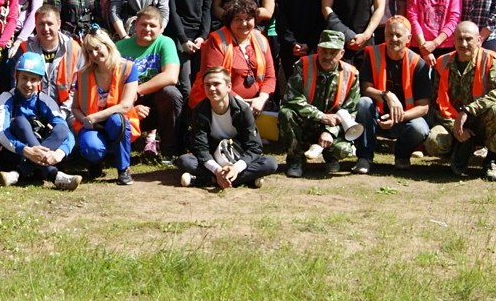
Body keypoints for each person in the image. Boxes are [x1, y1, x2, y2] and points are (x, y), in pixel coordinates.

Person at [425, 22, 496, 181]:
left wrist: (468, 110)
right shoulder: (442, 62)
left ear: (479, 40)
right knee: (433, 142)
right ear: (453, 41)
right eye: (460, 39)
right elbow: (436, 103)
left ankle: (490, 161)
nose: (463, 44)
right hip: (452, 122)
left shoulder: (490, 59)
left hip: (482, 122)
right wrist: (456, 128)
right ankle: (461, 148)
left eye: (469, 39)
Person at [353, 16, 432, 173]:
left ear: (408, 38)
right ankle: (365, 157)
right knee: (363, 103)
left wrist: (398, 117)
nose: (393, 39)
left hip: (404, 120)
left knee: (420, 128)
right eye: (390, 34)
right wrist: (386, 95)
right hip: (377, 116)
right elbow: (365, 88)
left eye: (398, 35)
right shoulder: (372, 54)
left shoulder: (418, 64)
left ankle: (402, 155)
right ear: (384, 35)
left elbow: (423, 107)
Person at [178, 66, 279, 189]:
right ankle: (244, 179)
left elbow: (254, 147)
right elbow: (200, 148)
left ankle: (208, 180)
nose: (212, 89)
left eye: (216, 84)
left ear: (229, 87)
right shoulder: (199, 111)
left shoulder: (243, 110)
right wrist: (217, 170)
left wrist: (236, 168)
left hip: (238, 157)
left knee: (270, 163)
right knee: (185, 161)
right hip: (213, 157)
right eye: (207, 85)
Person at [0, 51, 82, 190]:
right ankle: (55, 176)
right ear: (16, 76)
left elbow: (65, 132)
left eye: (33, 79)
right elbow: (2, 133)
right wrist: (26, 150)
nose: (28, 84)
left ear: (40, 81)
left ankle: (18, 173)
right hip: (13, 154)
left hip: (40, 156)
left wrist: (60, 153)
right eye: (24, 78)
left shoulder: (45, 100)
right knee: (20, 121)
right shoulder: (5, 98)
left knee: (61, 128)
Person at [278, 29, 360, 178]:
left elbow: (350, 111)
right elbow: (292, 98)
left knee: (343, 149)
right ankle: (296, 160)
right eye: (324, 51)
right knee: (286, 113)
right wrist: (321, 116)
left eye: (333, 52)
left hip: (334, 126)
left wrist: (330, 131)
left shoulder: (351, 74)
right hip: (306, 121)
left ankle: (331, 157)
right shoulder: (302, 65)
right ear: (318, 49)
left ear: (341, 53)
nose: (327, 56)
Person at [70, 28, 140, 185]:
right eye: (90, 51)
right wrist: (86, 120)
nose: (94, 54)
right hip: (92, 126)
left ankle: (123, 169)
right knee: (91, 147)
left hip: (116, 122)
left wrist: (95, 117)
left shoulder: (128, 68)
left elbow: (125, 106)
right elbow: (75, 107)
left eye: (97, 48)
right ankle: (95, 162)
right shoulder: (82, 75)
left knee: (118, 121)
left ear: (108, 46)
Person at [116, 8, 182, 163]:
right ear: (135, 25)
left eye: (152, 25)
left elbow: (171, 76)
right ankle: (116, 149)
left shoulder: (165, 43)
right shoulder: (119, 46)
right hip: (125, 102)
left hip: (154, 103)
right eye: (143, 24)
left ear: (161, 28)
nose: (147, 29)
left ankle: (169, 153)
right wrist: (130, 104)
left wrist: (137, 91)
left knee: (172, 94)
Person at [189, 0, 277, 112]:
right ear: (229, 21)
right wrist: (241, 104)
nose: (244, 24)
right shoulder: (216, 40)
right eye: (238, 19)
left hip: (256, 106)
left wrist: (261, 99)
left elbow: (270, 77)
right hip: (220, 105)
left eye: (248, 18)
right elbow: (212, 80)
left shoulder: (261, 39)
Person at [12, 5, 82, 117]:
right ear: (35, 25)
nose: (45, 28)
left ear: (59, 24)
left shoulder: (74, 49)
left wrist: (61, 115)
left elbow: (78, 88)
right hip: (31, 111)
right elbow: (16, 85)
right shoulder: (24, 48)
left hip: (67, 112)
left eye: (50, 24)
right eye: (41, 24)